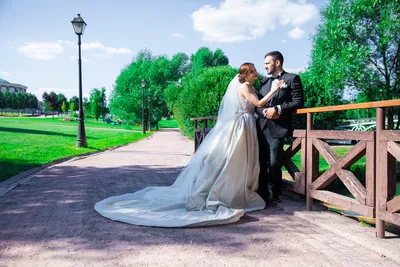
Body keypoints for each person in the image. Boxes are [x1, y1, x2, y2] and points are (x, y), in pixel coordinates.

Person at [95, 63, 284, 227]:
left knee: (242, 160)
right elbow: (258, 103)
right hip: (240, 126)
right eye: (251, 71)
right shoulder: (244, 87)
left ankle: (241, 189)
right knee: (233, 159)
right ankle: (226, 192)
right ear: (245, 74)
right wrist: (275, 89)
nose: (255, 72)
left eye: (254, 70)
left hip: (246, 126)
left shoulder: (250, 86)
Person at [255, 51, 304, 203]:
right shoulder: (263, 82)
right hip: (261, 127)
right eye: (264, 64)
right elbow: (257, 104)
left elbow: (298, 102)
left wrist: (277, 109)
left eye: (267, 63)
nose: (265, 67)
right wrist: (264, 111)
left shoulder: (292, 78)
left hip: (278, 127)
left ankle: (276, 195)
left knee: (274, 162)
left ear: (277, 63)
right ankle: (262, 194)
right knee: (260, 161)